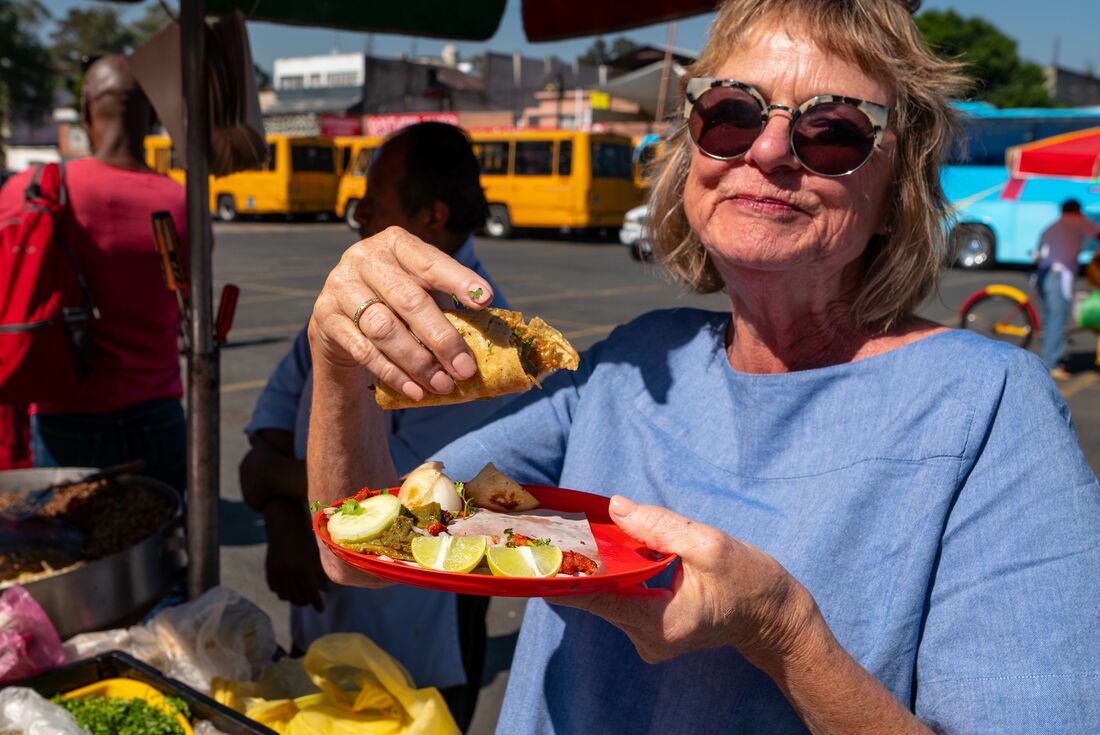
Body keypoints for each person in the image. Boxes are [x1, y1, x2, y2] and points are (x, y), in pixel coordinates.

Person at [304, 0, 1100, 732]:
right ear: (693, 150)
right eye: (731, 114)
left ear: (898, 187)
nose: (770, 149)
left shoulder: (990, 406)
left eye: (833, 132)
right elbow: (357, 551)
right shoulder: (631, 365)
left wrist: (784, 632)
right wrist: (338, 362)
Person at [239, 122, 507, 732]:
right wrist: (285, 522)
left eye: (376, 198)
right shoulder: (351, 299)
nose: (357, 211)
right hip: (321, 602)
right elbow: (273, 423)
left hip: (416, 634)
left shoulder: (484, 337)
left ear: (432, 216)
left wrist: (271, 480)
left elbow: (390, 494)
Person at [0, 56, 187, 493]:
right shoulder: (179, 201)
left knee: (73, 547)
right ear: (153, 115)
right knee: (160, 547)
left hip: (66, 408)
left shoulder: (36, 187)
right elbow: (186, 299)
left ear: (86, 114)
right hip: (157, 412)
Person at [1034, 198, 1100, 379]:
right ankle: (1051, 364)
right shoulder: (1077, 220)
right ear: (1077, 210)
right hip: (1058, 276)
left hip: (1043, 274)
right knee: (1057, 319)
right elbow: (1097, 234)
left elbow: (1038, 254)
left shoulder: (1052, 226)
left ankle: (1047, 359)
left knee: (1048, 320)